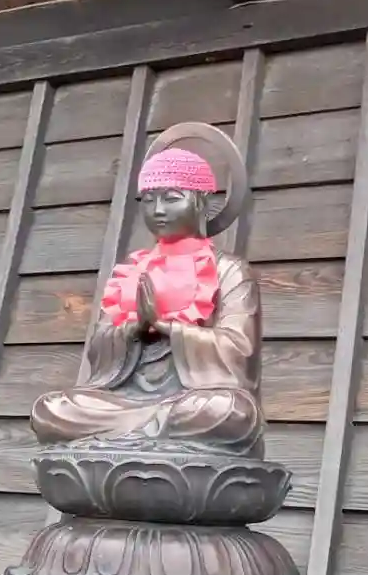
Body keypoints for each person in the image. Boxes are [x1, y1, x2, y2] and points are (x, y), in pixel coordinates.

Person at [31, 147, 261, 453]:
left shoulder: (228, 270)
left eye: (171, 198)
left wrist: (167, 326)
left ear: (201, 202)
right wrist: (134, 328)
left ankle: (125, 433)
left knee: (229, 410)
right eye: (149, 200)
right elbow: (99, 345)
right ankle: (147, 429)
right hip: (126, 397)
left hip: (192, 398)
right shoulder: (132, 269)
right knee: (51, 409)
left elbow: (239, 348)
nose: (158, 210)